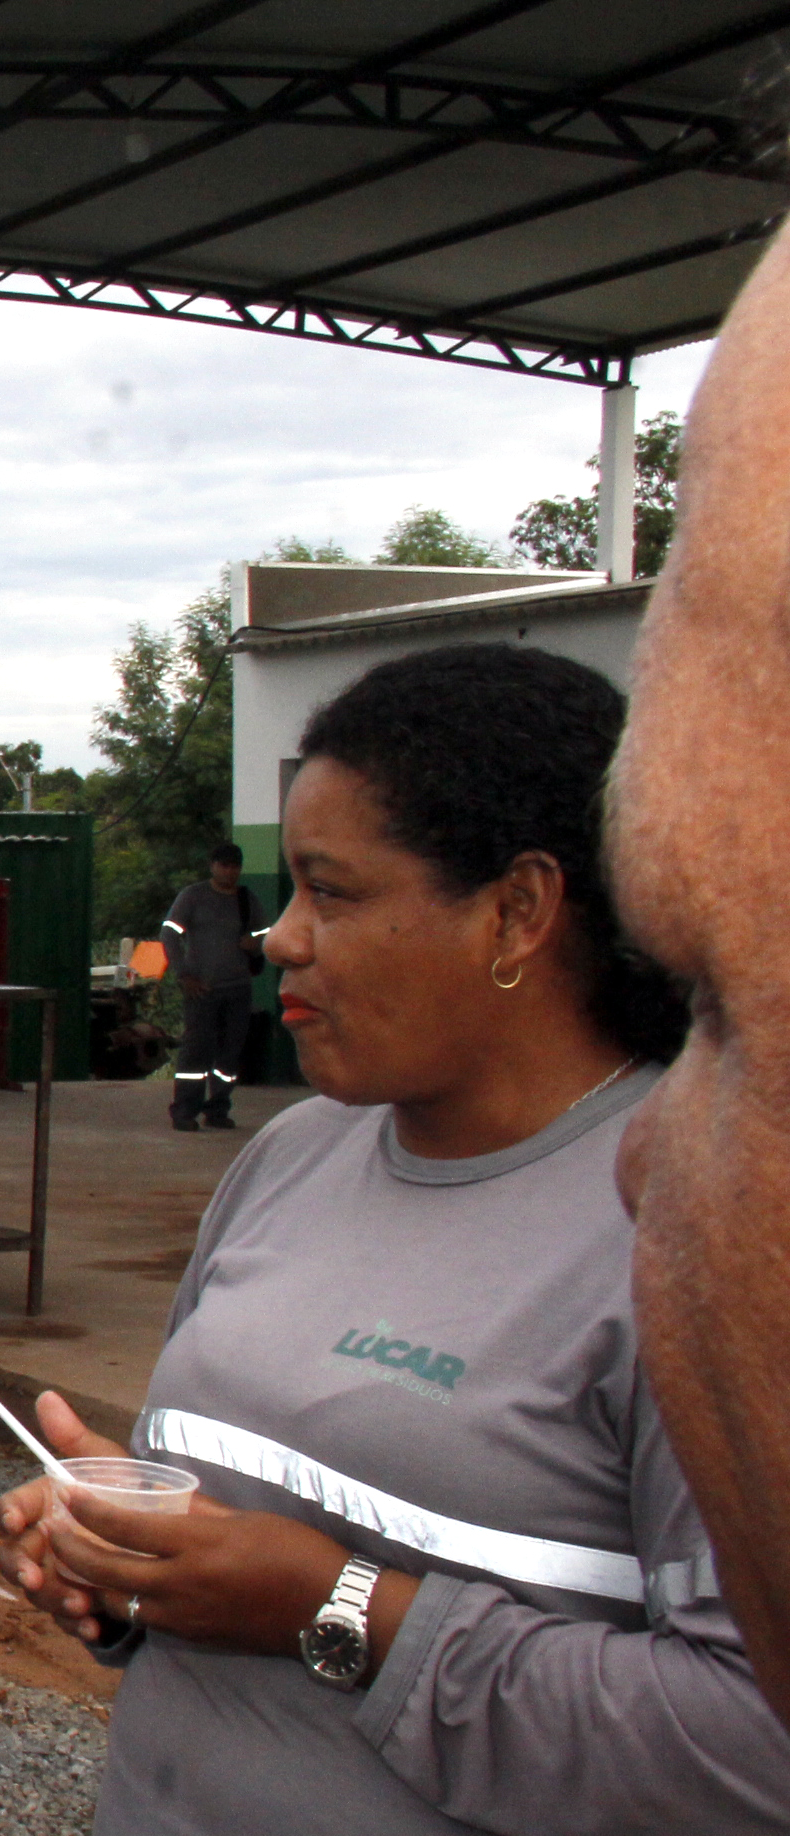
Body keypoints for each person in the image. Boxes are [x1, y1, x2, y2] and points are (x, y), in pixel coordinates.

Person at [0, 643, 790, 1836]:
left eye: (333, 891)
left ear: (519, 912)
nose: (277, 937)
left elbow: (752, 1740)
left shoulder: (697, 1234)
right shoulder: (295, 1158)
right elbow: (258, 1522)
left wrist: (330, 1604)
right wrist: (125, 1553)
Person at [612, 230, 790, 1724]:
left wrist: (339, 1611)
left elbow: (715, 1726)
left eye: (718, 1007)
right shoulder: (295, 1172)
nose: (624, 1166)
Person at [160, 841, 265, 1131]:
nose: (229, 872)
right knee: (196, 1052)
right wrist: (184, 975)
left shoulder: (247, 900)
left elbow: (266, 934)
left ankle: (218, 1109)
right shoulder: (193, 896)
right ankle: (185, 1111)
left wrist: (256, 943)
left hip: (238, 988)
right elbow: (169, 934)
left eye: (235, 866)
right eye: (224, 865)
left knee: (230, 1054)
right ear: (213, 866)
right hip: (202, 990)